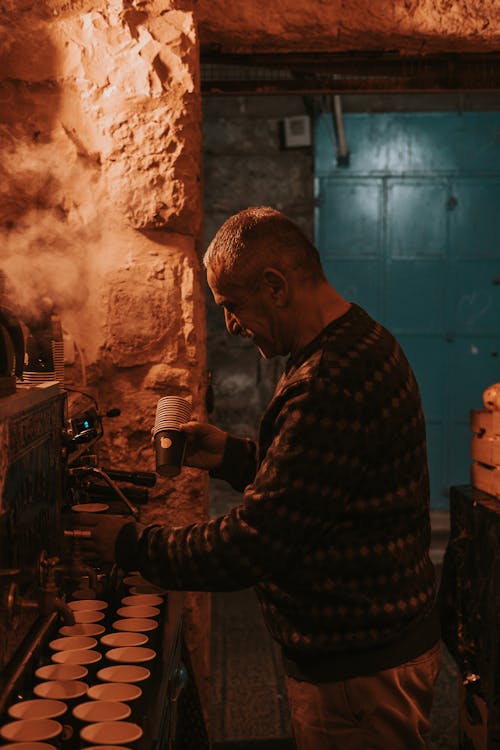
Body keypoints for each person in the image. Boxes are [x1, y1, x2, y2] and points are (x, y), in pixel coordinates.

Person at [83, 206, 441, 749]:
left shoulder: (327, 381)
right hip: (373, 650)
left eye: (231, 306)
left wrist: (132, 545)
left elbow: (254, 543)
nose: (230, 324)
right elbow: (320, 487)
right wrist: (230, 455)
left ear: (275, 286)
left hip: (359, 674)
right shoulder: (357, 339)